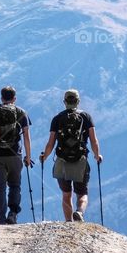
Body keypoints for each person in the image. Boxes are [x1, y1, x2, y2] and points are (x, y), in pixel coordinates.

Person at [39, 89, 102, 222]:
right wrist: (97, 155)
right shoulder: (86, 117)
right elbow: (93, 140)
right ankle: (79, 212)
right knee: (82, 193)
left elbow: (51, 143)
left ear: (64, 102)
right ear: (78, 101)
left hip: (62, 161)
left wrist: (44, 156)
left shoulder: (57, 118)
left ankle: (69, 223)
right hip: (80, 160)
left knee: (66, 194)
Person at [0, 86, 32, 225]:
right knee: (15, 185)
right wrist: (27, 156)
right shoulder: (21, 112)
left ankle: (0, 219)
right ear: (14, 98)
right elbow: (26, 136)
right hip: (15, 154)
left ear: (1, 98)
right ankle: (13, 214)